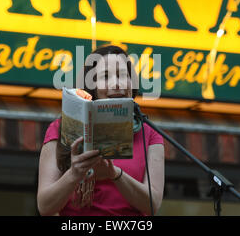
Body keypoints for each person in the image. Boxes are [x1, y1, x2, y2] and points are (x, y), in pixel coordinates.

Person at [37, 45, 165, 216]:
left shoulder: (150, 133)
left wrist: (115, 174)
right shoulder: (60, 128)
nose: (117, 84)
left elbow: (153, 204)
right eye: (105, 76)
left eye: (123, 76)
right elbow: (45, 207)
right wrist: (75, 173)